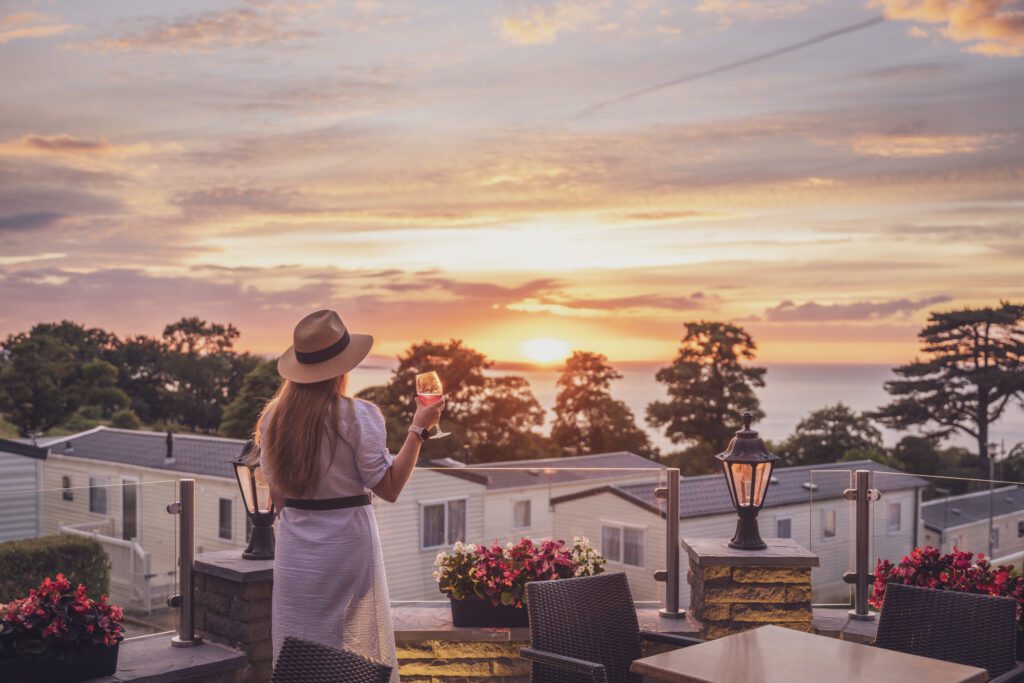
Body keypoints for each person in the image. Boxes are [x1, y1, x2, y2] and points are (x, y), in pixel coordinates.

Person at [255, 309, 443, 680]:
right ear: (343, 368)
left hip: (296, 553)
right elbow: (388, 487)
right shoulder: (360, 415)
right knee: (350, 649)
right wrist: (418, 430)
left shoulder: (273, 417)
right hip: (347, 545)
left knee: (300, 646)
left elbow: (277, 499)